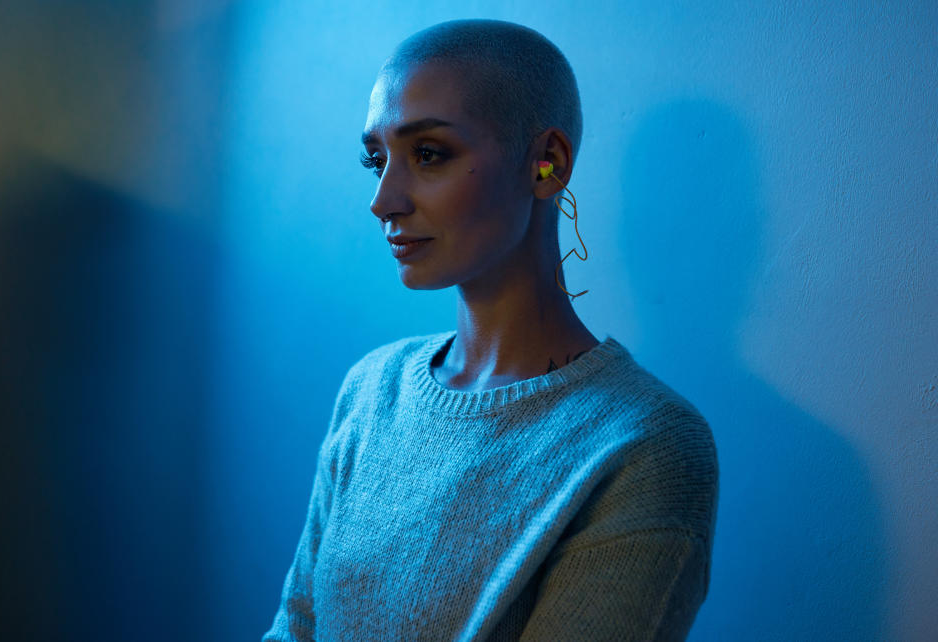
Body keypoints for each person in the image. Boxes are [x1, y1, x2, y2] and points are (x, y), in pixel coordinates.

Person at [262, 18, 718, 641]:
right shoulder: (371, 391)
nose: (384, 199)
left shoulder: (643, 445)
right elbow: (296, 625)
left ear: (546, 165)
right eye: (377, 161)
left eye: (427, 154)